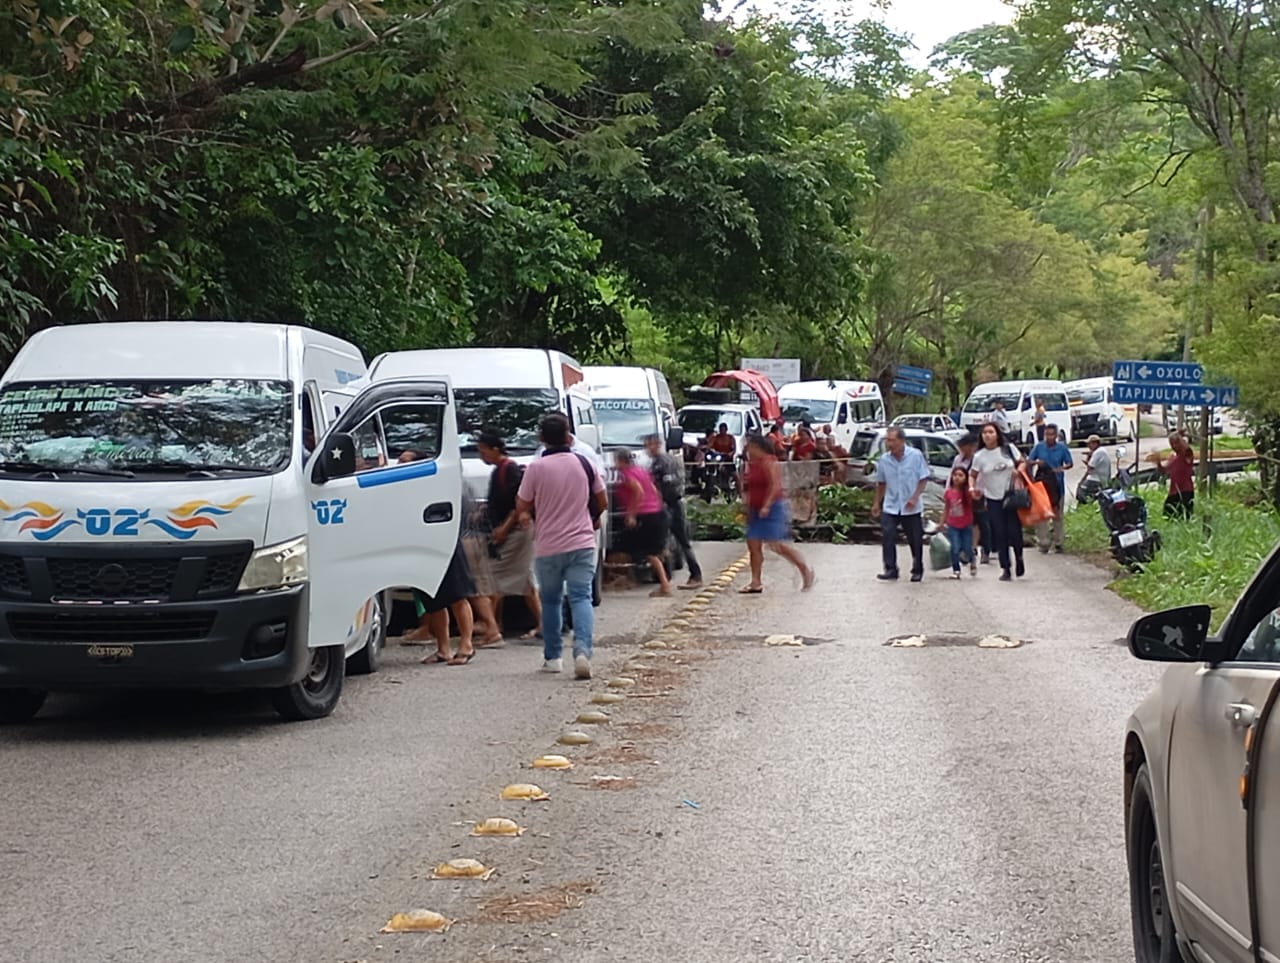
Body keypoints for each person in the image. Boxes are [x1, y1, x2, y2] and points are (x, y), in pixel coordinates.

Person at [516, 413, 608, 678]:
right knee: (581, 598)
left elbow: (522, 504)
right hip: (581, 542)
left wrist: (528, 514)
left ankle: (553, 657)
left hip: (548, 545)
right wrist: (590, 520)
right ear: (569, 435)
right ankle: (582, 652)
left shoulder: (536, 468)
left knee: (552, 601)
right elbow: (601, 501)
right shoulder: (585, 463)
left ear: (542, 438)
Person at [476, 429, 542, 642]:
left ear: (495, 450)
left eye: (484, 451)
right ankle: (541, 623)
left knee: (493, 578)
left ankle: (491, 628)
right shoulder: (498, 470)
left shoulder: (510, 469)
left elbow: (518, 503)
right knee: (523, 581)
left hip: (515, 531)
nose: (481, 456)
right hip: (508, 529)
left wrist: (504, 528)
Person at [739, 434, 814, 594]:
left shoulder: (769, 461)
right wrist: (747, 504)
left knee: (777, 545)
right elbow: (748, 486)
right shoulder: (752, 464)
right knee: (753, 544)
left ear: (758, 448)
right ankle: (755, 582)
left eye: (751, 447)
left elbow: (774, 485)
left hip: (772, 507)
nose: (748, 450)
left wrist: (766, 505)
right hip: (755, 508)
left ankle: (804, 569)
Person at [871, 426, 931, 582]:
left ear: (902, 440)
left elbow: (923, 478)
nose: (889, 444)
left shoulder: (915, 456)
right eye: (887, 440)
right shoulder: (884, 460)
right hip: (891, 504)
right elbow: (881, 483)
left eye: (892, 440)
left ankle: (917, 568)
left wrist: (915, 497)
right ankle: (890, 569)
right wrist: (876, 503)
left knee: (915, 539)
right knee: (888, 535)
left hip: (910, 506)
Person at [406, 537, 479, 665]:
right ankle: (443, 649)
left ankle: (466, 645)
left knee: (458, 595)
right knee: (433, 600)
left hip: (446, 538)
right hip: (420, 545)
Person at [644, 433, 703, 589]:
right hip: (673, 503)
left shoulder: (661, 463)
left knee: (678, 540)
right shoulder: (668, 460)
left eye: (650, 445)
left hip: (670, 504)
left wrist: (659, 500)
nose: (648, 449)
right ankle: (667, 577)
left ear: (657, 444)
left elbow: (666, 486)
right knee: (669, 541)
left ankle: (694, 574)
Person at [970, 422, 1026, 582]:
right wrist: (972, 488)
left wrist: (1018, 471)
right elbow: (972, 475)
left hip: (1011, 496)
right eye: (984, 433)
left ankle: (1019, 557)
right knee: (1000, 534)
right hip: (993, 499)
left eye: (991, 432)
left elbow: (1022, 462)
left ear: (997, 434)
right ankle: (1006, 568)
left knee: (1014, 531)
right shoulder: (979, 456)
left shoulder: (1008, 449)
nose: (987, 435)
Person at [614, 448, 673, 596]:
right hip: (656, 512)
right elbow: (655, 490)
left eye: (616, 460)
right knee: (652, 551)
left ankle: (665, 586)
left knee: (649, 552)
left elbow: (638, 491)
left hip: (645, 514)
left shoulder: (627, 475)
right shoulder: (642, 471)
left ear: (621, 461)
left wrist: (631, 514)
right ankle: (662, 579)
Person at [1027, 423, 1073, 554]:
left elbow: (1069, 463)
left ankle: (1059, 542)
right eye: (1047, 434)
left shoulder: (1062, 448)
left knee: (1057, 514)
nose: (1049, 437)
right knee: (1042, 515)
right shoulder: (1039, 447)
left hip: (1057, 485)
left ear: (1056, 435)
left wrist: (1060, 469)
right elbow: (1029, 461)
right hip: (1042, 486)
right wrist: (1036, 462)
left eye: (1052, 434)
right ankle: (1044, 542)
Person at [952, 432, 992, 564]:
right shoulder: (958, 460)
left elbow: (984, 477)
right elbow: (952, 476)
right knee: (968, 523)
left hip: (978, 495)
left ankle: (986, 550)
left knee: (982, 523)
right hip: (962, 495)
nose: (962, 450)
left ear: (972, 447)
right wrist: (950, 491)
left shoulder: (980, 459)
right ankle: (970, 549)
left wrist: (978, 491)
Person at [1154, 431, 1196, 519]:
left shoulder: (1187, 455)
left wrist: (1178, 435)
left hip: (1186, 491)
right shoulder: (1172, 456)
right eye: (1171, 444)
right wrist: (1158, 462)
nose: (1173, 446)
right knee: (1168, 515)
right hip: (1174, 491)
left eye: (1176, 443)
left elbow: (1186, 448)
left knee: (1185, 516)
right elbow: (1164, 471)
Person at [944, 466, 976, 578]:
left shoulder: (967, 493)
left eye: (960, 475)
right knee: (954, 547)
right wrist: (941, 522)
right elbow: (947, 508)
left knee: (967, 547)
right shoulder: (948, 493)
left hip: (966, 524)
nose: (957, 478)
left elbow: (975, 500)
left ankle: (972, 561)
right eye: (955, 475)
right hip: (953, 524)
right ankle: (956, 570)